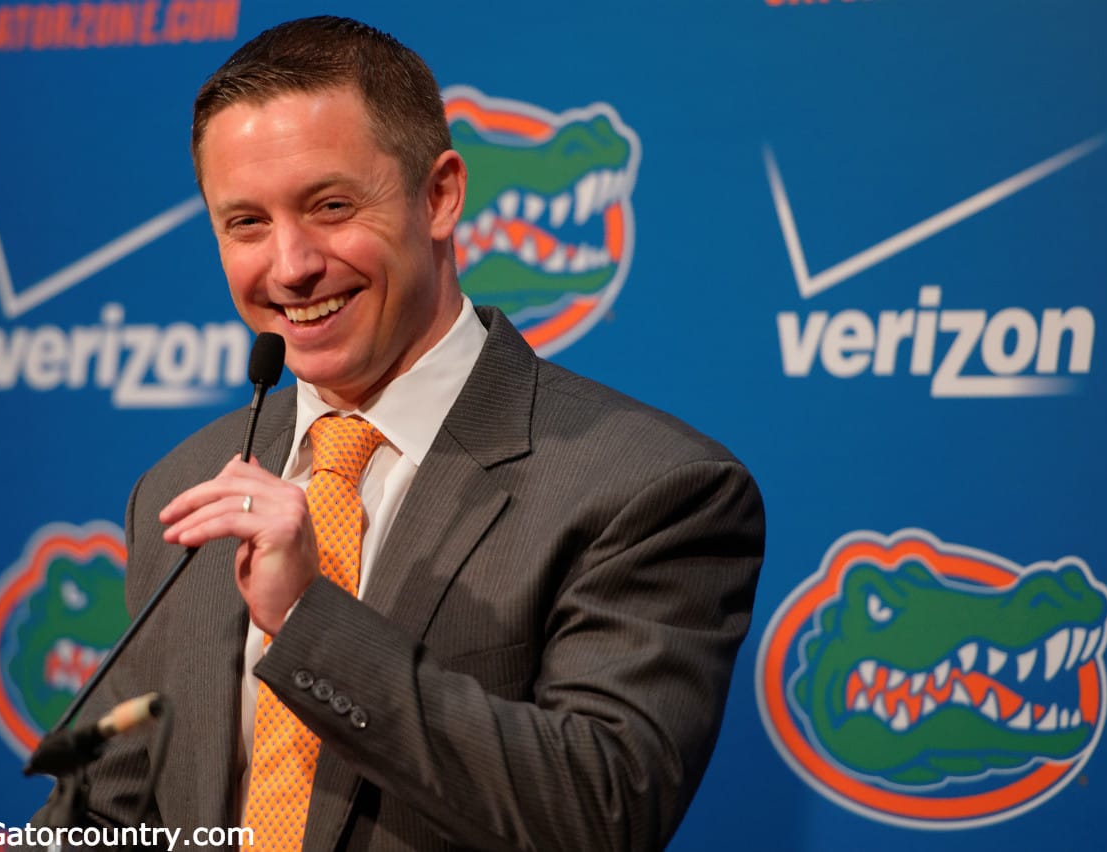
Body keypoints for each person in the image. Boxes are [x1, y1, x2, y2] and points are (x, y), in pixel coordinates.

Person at [41, 15, 764, 851]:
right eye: (246, 223)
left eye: (331, 205)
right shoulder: (190, 483)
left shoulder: (651, 487)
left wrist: (309, 622)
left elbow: (600, 811)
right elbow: (115, 810)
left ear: (440, 195)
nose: (291, 264)